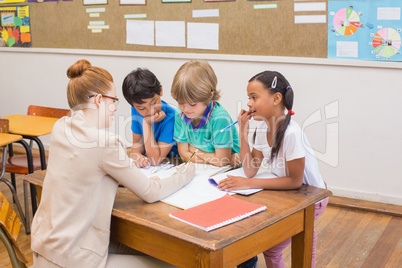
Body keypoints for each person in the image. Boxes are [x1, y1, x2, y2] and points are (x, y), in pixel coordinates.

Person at [30, 59, 195, 268]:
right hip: (73, 259)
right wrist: (187, 171)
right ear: (99, 100)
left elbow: (89, 171)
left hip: (45, 248)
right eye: (114, 100)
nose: (116, 108)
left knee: (148, 247)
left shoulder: (60, 127)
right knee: (174, 262)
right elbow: (151, 192)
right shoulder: (105, 144)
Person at [218, 71, 328, 268]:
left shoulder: (292, 133)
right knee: (284, 244)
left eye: (254, 97)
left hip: (311, 196)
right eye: (249, 98)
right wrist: (243, 131)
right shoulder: (262, 128)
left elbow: (295, 181)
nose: (249, 104)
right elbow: (250, 169)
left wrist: (248, 183)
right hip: (291, 194)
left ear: (277, 98)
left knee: (273, 249)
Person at [171, 59, 240, 167]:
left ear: (210, 96)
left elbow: (222, 162)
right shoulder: (180, 113)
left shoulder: (220, 118)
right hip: (203, 169)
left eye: (193, 104)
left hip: (230, 170)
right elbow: (183, 154)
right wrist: (216, 158)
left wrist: (194, 150)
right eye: (180, 102)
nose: (185, 109)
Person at [122, 68, 178, 167]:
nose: (150, 111)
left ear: (160, 90)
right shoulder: (135, 109)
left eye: (153, 103)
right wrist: (138, 156)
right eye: (141, 108)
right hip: (156, 158)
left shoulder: (171, 117)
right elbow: (137, 145)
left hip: (174, 161)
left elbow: (155, 160)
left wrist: (146, 124)